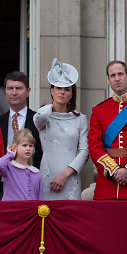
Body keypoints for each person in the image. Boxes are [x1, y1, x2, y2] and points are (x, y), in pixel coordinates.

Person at [34, 58, 89, 200]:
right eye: (58, 88)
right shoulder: (44, 116)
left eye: (67, 89)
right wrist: (51, 105)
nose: (62, 92)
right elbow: (39, 117)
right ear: (52, 91)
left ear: (71, 94)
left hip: (70, 178)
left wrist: (65, 175)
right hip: (47, 177)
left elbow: (84, 151)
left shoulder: (80, 119)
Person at [89, 60, 127, 199]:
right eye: (112, 75)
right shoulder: (99, 110)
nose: (117, 78)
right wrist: (114, 170)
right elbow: (94, 146)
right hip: (107, 185)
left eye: (120, 74)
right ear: (108, 80)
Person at [0, 71, 43, 199]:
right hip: (2, 186)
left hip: (28, 186)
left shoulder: (38, 120)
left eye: (19, 88)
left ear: (28, 91)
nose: (14, 92)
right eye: (10, 88)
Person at [0, 129, 43, 200]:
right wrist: (10, 155)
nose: (28, 148)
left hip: (31, 210)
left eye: (31, 146)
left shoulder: (36, 172)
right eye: (24, 145)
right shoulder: (9, 167)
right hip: (12, 209)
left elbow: (40, 198)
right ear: (14, 147)